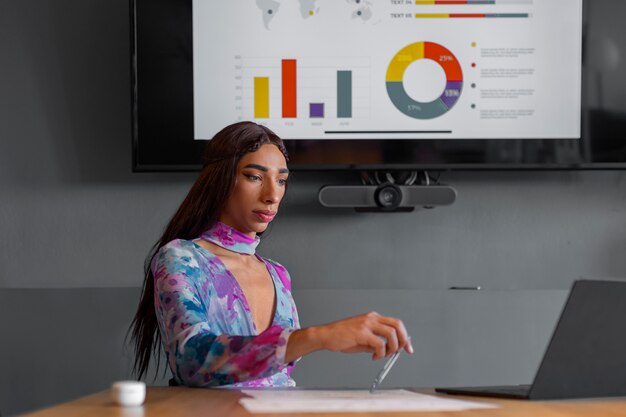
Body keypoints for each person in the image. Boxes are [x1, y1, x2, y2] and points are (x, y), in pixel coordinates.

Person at [129, 121, 413, 387]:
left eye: (281, 181)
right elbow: (191, 360)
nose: (272, 195)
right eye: (254, 176)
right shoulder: (181, 258)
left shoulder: (278, 274)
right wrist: (319, 336)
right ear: (220, 180)